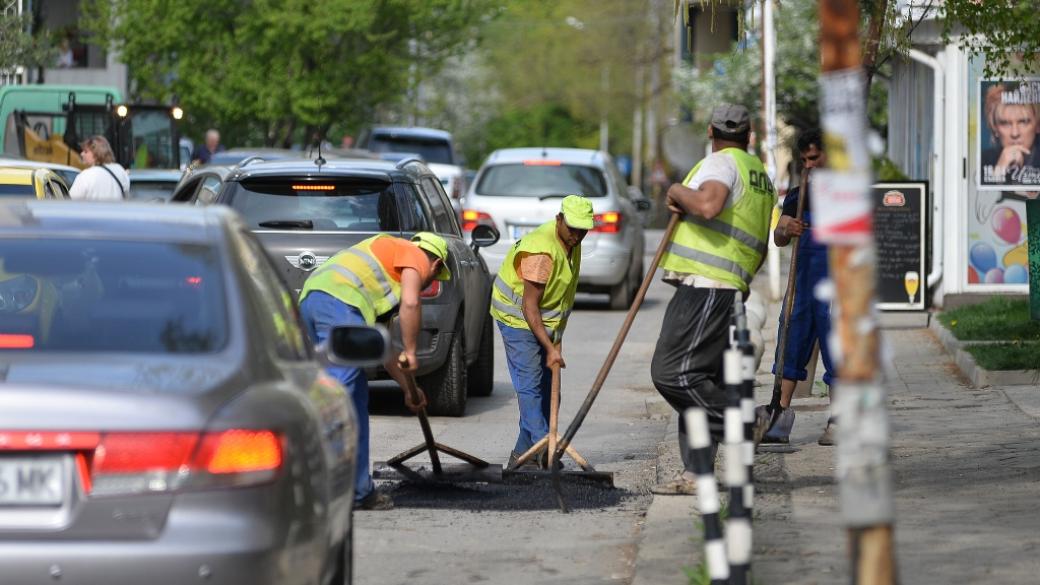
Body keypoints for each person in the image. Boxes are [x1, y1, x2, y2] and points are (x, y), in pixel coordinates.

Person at [649, 104, 775, 494]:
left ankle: (743, 423)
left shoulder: (722, 165)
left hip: (708, 285)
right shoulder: (760, 175)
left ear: (710, 131)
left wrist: (675, 189)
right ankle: (695, 473)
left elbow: (708, 205)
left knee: (673, 373)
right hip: (730, 286)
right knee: (699, 378)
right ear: (750, 135)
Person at [297, 232, 451, 510]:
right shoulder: (413, 255)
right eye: (435, 278)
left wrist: (409, 389)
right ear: (436, 264)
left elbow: (386, 349)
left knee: (354, 399)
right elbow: (412, 303)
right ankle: (317, 487)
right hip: (336, 302)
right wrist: (413, 351)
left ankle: (358, 490)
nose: (429, 283)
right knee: (337, 397)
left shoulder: (383, 270)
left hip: (314, 300)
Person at [491, 195, 593, 469]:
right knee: (531, 388)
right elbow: (529, 306)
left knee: (551, 394)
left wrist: (555, 342)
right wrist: (549, 348)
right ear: (559, 219)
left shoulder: (572, 241)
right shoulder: (542, 252)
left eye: (583, 230)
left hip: (545, 325)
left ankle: (521, 458)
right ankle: (545, 451)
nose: (577, 236)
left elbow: (558, 300)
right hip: (517, 319)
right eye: (572, 229)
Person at [761, 129, 838, 446]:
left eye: (814, 158)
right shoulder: (797, 194)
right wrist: (785, 229)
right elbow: (778, 236)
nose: (809, 165)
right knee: (789, 347)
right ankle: (778, 417)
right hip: (803, 285)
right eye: (804, 159)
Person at [981, 83, 1040, 186]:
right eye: (1005, 123)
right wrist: (997, 174)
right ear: (994, 128)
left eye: (1023, 122)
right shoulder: (983, 161)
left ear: (1038, 125)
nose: (1015, 133)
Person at [69, 135, 129, 201]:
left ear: (97, 153)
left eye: (86, 151)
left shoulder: (86, 175)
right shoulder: (120, 170)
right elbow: (126, 194)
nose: (82, 154)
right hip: (117, 211)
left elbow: (71, 202)